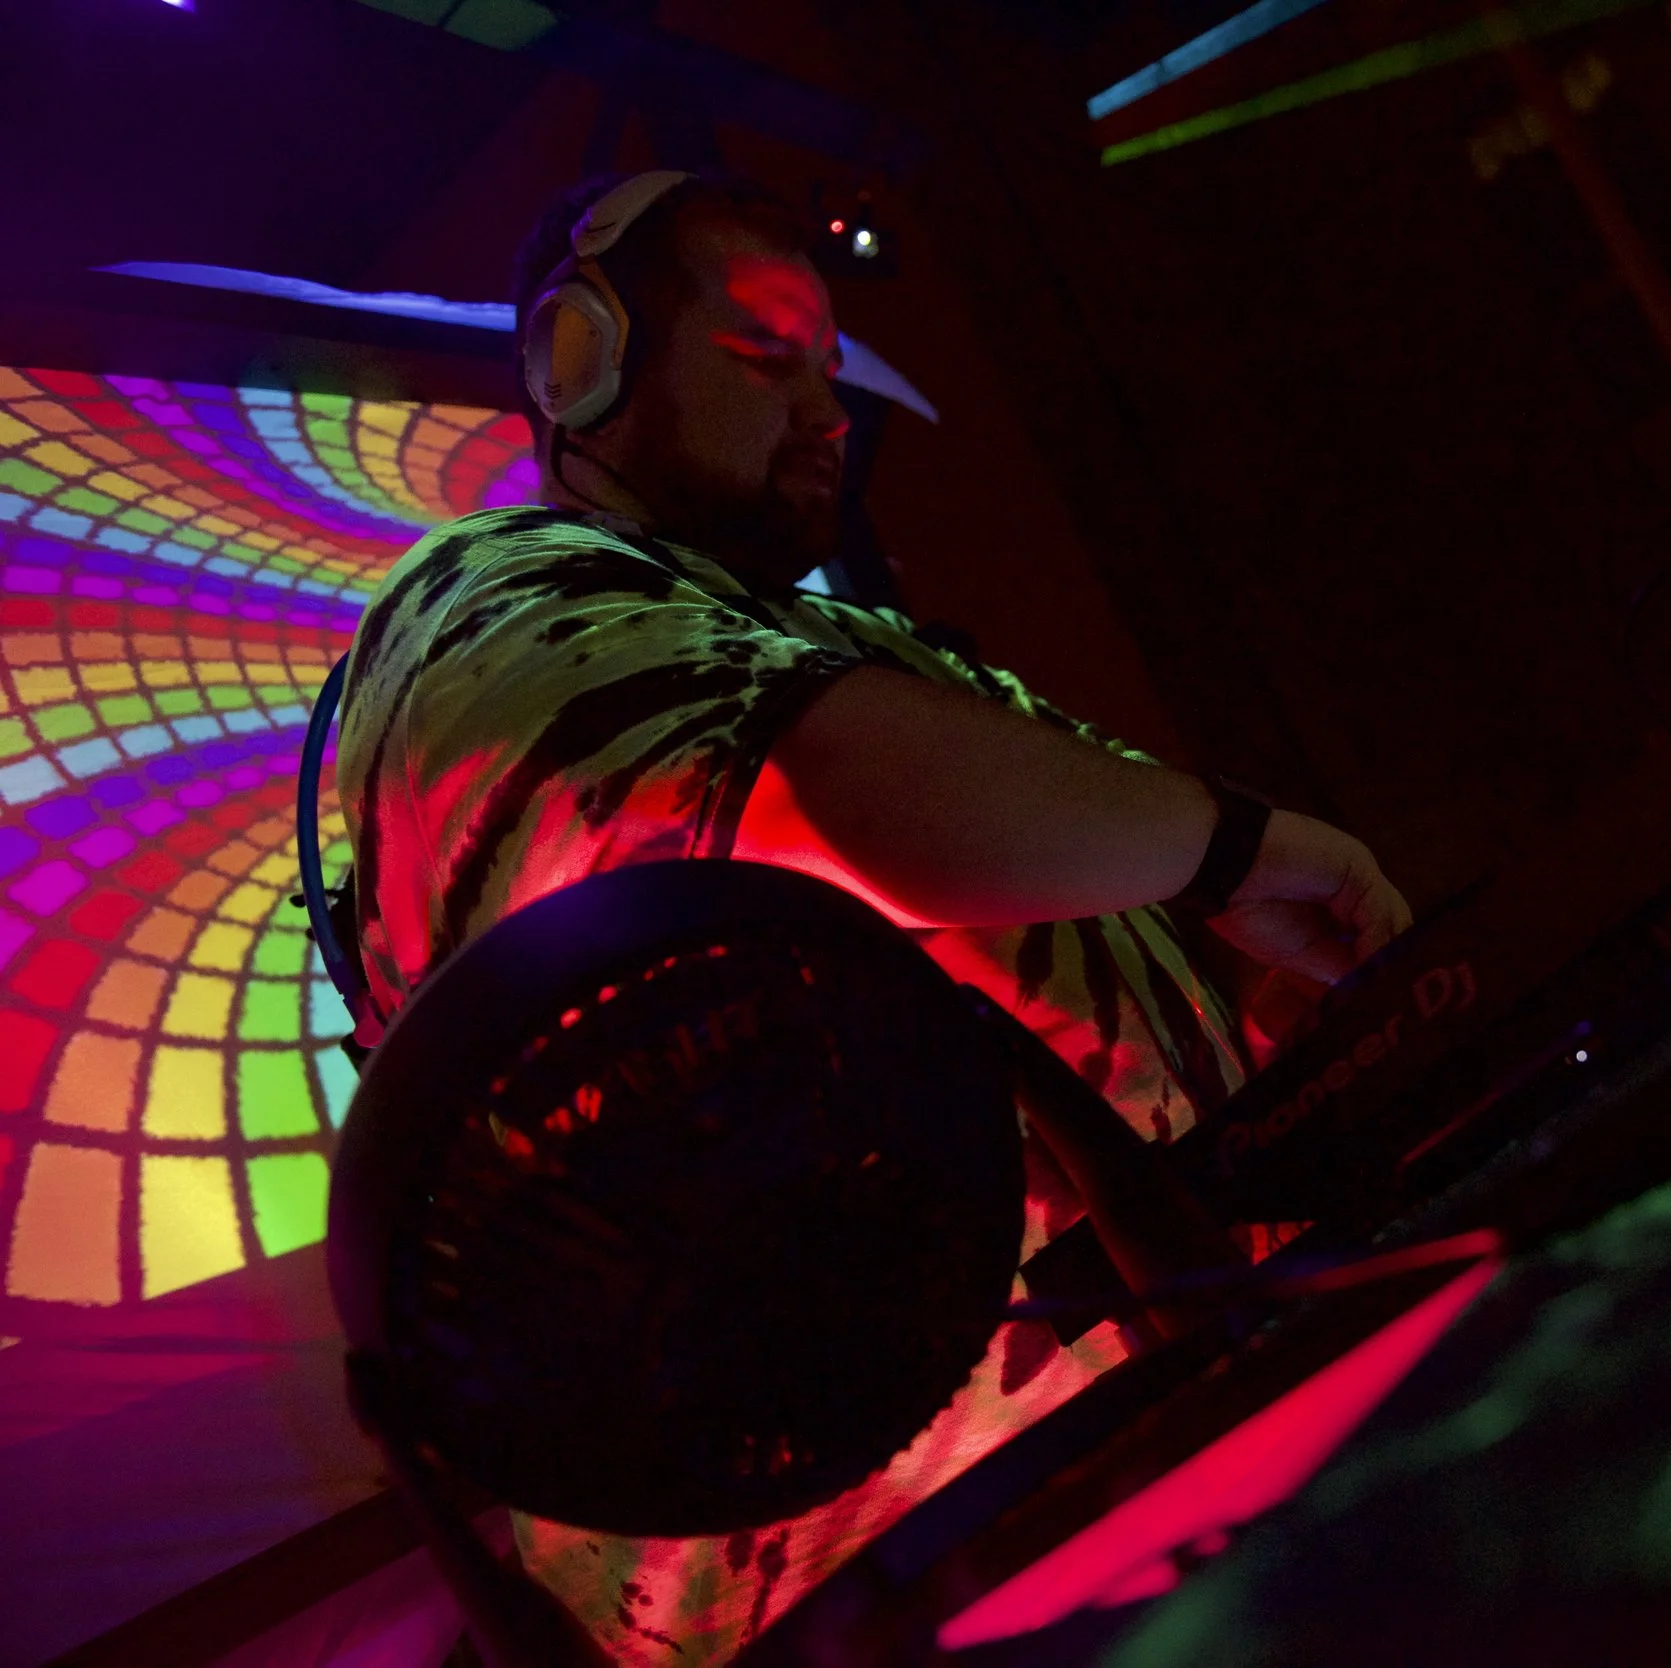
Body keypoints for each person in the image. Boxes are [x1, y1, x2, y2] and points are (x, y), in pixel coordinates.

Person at [335, 170, 1410, 1664]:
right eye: (764, 355)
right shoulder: (488, 594)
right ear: (576, 367)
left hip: (1154, 1462)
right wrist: (1242, 851)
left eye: (829, 369)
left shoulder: (844, 642)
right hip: (919, 1571)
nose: (825, 410)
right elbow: (814, 792)